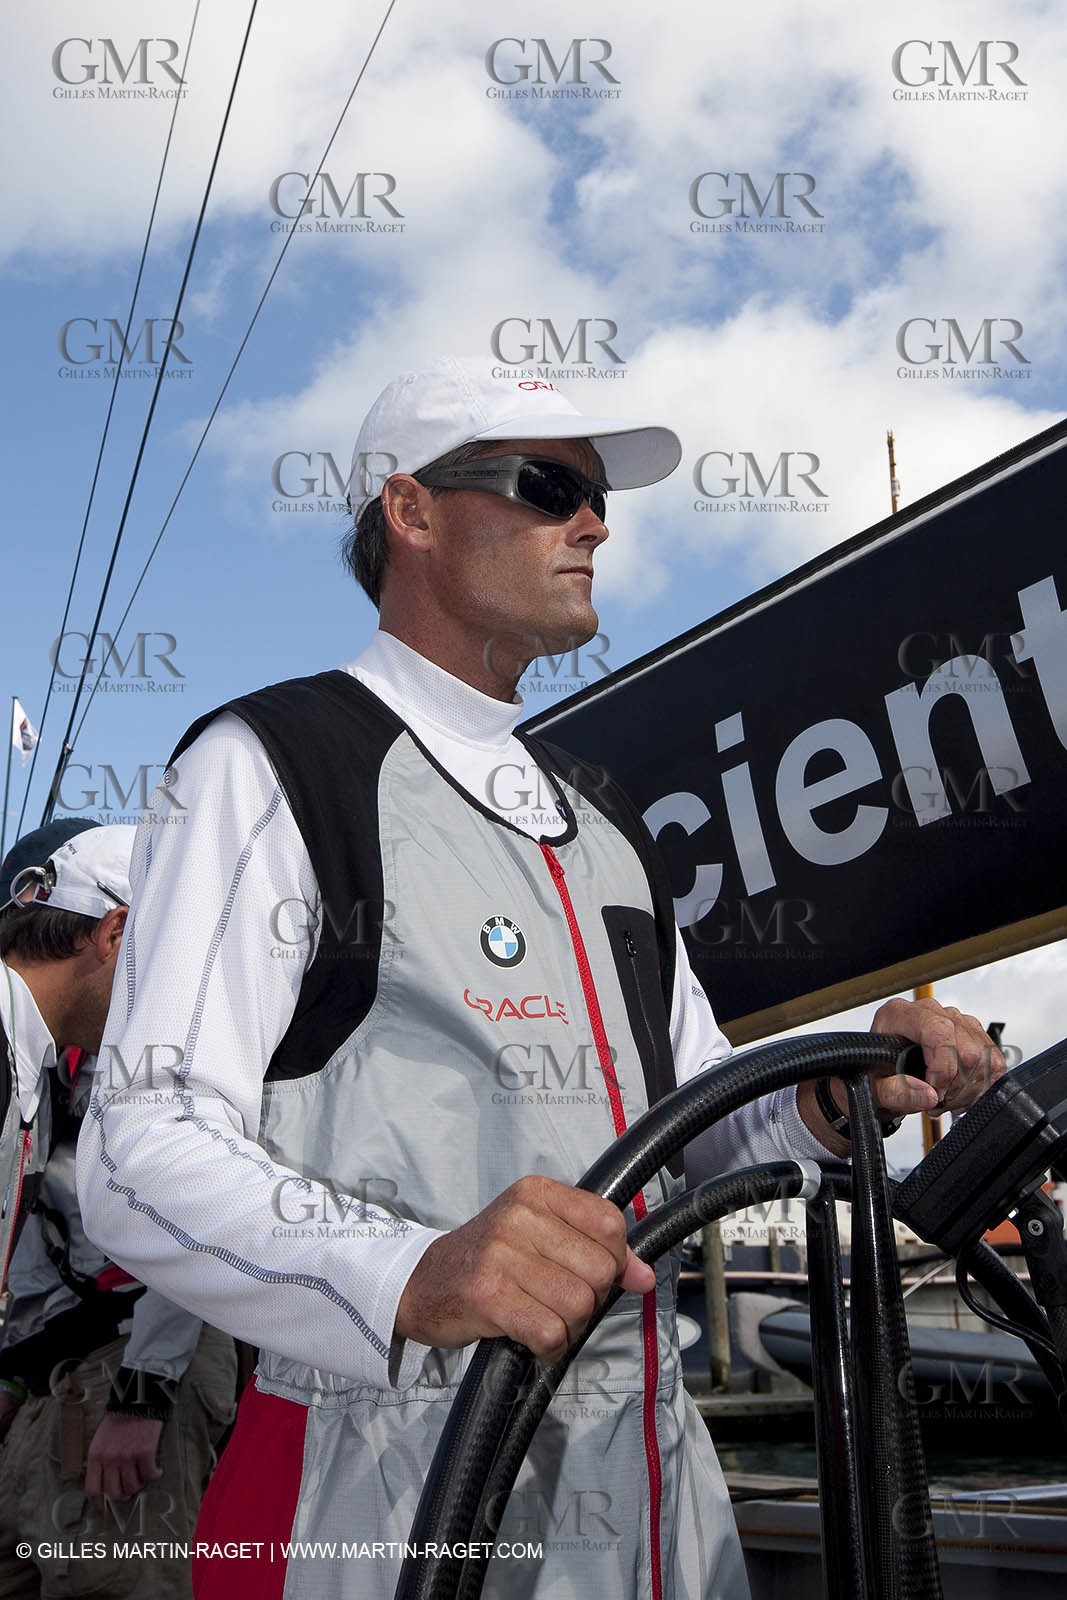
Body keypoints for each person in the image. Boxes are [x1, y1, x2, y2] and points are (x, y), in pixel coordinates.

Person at [77, 357, 1005, 1600]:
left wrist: (838, 1090)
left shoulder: (604, 818)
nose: (596, 521)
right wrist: (403, 1269)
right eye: (550, 483)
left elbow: (697, 1119)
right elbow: (141, 1144)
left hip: (658, 1478)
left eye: (597, 493)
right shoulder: (269, 764)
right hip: (389, 1478)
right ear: (409, 512)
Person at [0, 820, 236, 1600]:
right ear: (117, 932)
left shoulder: (171, 1055)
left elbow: (198, 1210)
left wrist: (145, 1389)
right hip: (49, 1381)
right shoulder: (29, 1058)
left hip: (130, 1368)